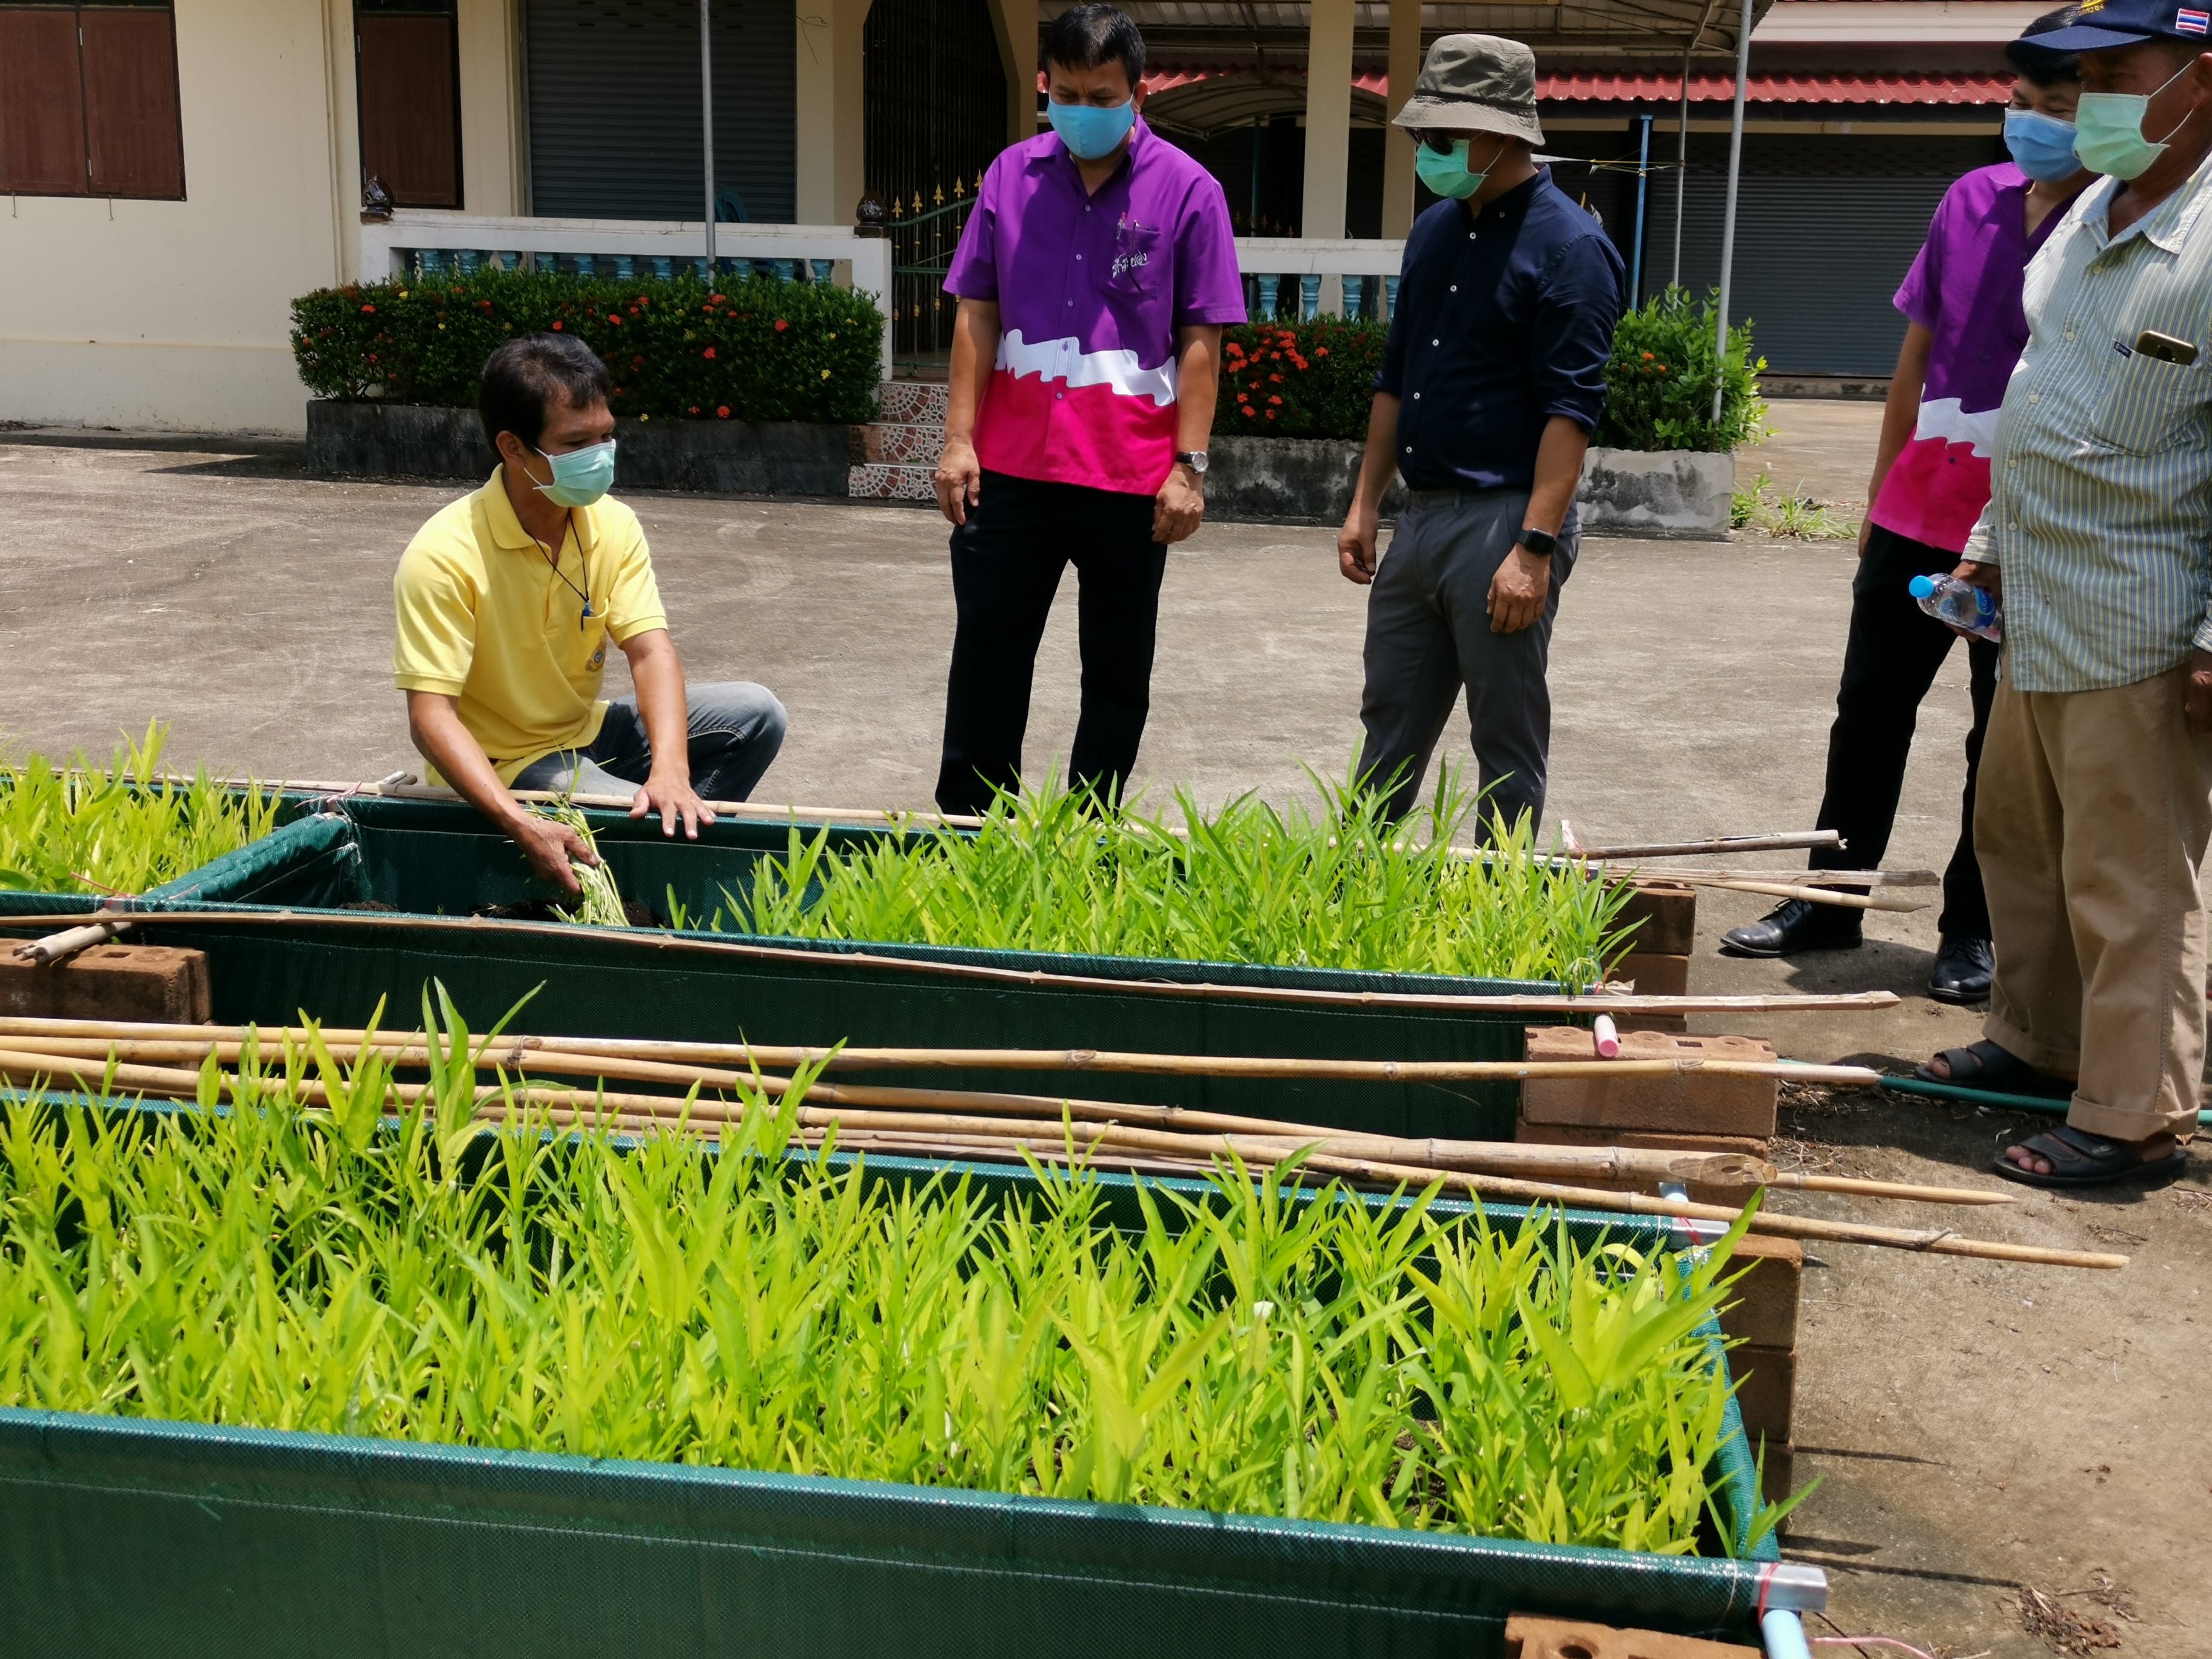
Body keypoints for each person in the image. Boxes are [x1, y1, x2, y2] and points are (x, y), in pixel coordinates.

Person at [1720, 13, 2093, 1007]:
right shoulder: (1968, 199)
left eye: (2055, 110)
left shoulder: (2108, 225)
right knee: (1867, 714)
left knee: (1995, 745)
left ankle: (1970, 929)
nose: (2032, 126)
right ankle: (1829, 900)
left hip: (2022, 538)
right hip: (1914, 514)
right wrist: (1876, 496)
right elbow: (1917, 355)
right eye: (2022, 106)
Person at [1916, 0, 2211, 1189]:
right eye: (2076, 80)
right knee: (2021, 842)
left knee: (2132, 877)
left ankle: (2136, 1112)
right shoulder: (2090, 210)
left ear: (2198, 80)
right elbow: (2044, 398)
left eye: (2115, 76)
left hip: (2142, 618)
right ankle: (2039, 1044)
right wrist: (1986, 548)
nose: (2089, 104)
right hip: (2036, 600)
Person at [931, 2, 1244, 817]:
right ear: (1046, 87)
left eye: (1103, 96)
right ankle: (972, 828)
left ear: (1139, 93)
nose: (1084, 110)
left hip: (1130, 477)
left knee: (1116, 670)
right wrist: (957, 440)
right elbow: (975, 312)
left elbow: (1201, 339)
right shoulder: (1010, 176)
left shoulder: (1189, 192)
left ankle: (1088, 834)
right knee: (988, 659)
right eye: (1066, 93)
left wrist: (1190, 467)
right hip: (1011, 469)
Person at [1337, 33, 1625, 839]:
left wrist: (1533, 548)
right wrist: (1366, 503)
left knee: (1503, 731)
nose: (1427, 149)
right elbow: (1397, 376)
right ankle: (1360, 888)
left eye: (1442, 135)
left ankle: (1495, 909)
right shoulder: (1433, 232)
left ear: (1503, 133)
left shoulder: (1570, 249)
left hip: (1506, 516)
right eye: (1422, 134)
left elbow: (1572, 410)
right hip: (1422, 514)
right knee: (1389, 711)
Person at [393, 333, 787, 896]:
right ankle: (643, 883)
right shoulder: (444, 554)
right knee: (636, 811)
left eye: (607, 435)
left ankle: (652, 863)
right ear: (513, 447)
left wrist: (671, 770)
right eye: (577, 442)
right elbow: (431, 719)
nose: (601, 455)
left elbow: (651, 651)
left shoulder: (612, 523)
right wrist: (518, 822)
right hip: (511, 761)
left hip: (591, 730)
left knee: (756, 712)